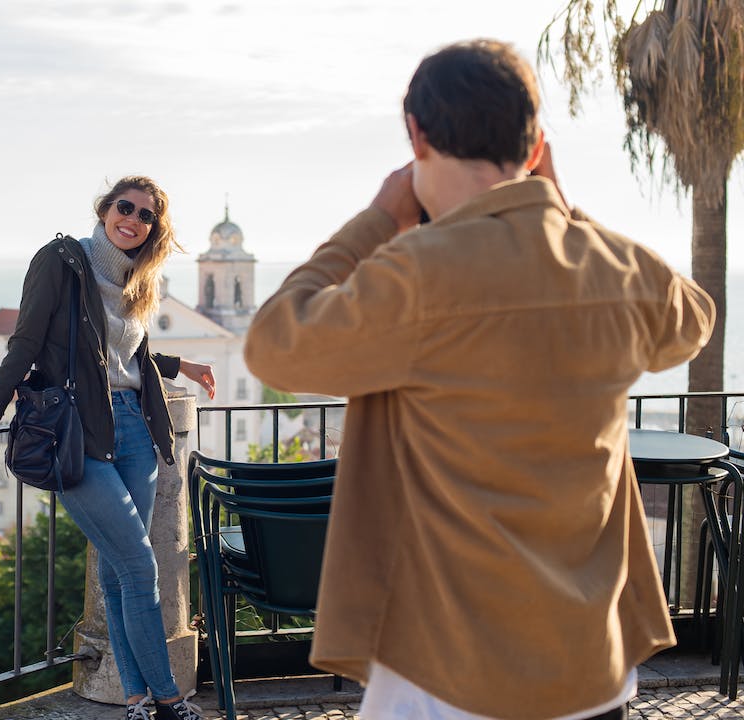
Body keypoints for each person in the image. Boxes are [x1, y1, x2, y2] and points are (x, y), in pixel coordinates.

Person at [244, 40, 714, 720]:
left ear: (418, 136)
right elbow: (692, 317)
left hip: (451, 675)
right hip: (590, 670)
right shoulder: (615, 273)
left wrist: (378, 219)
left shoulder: (418, 273)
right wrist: (564, 213)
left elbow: (274, 343)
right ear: (535, 146)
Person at [0, 175, 215, 720]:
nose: (132, 219)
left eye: (146, 216)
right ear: (105, 207)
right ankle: (168, 699)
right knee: (140, 565)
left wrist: (179, 365)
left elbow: (120, 358)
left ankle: (134, 699)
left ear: (153, 230)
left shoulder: (138, 279)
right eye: (125, 207)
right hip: (78, 433)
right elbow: (28, 343)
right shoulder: (62, 260)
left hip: (136, 427)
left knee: (119, 573)